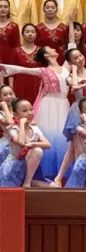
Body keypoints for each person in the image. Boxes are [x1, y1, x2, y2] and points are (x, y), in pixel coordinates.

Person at [0, 19, 77, 179]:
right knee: (49, 134)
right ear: (47, 55)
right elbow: (23, 70)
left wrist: (70, 23)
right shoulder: (43, 70)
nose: (54, 49)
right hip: (49, 105)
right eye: (50, 49)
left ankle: (62, 170)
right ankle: (44, 170)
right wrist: (5, 67)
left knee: (62, 136)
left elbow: (72, 46)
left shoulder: (65, 67)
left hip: (63, 104)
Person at [53, 47, 86, 186]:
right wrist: (74, 70)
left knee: (79, 147)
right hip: (77, 112)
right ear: (70, 62)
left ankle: (63, 176)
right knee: (77, 147)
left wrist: (81, 85)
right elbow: (73, 84)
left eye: (80, 56)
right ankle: (78, 178)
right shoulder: (70, 76)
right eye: (75, 58)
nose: (80, 59)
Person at [0, 98, 52, 187]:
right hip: (14, 168)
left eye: (31, 109)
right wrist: (22, 124)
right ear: (16, 115)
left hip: (28, 166)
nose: (29, 113)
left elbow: (48, 144)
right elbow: (21, 142)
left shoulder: (35, 129)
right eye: (25, 111)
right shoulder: (13, 129)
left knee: (37, 150)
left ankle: (27, 183)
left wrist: (33, 144)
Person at [8, 24, 41, 104]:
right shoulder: (15, 51)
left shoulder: (41, 51)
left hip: (36, 86)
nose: (30, 34)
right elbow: (11, 73)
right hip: (20, 85)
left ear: (36, 34)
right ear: (22, 34)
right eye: (27, 32)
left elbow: (45, 71)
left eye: (33, 32)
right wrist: (11, 90)